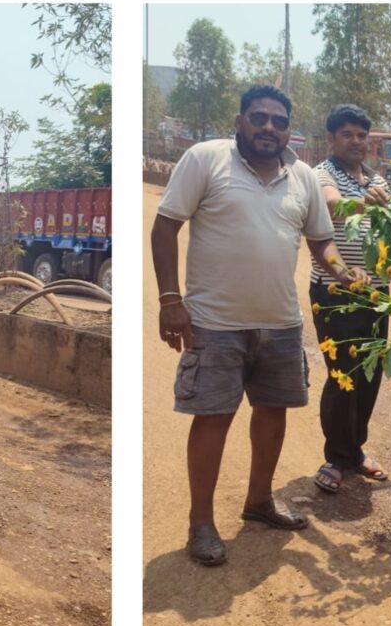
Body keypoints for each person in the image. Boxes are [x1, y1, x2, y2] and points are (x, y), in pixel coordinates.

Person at [152, 84, 358, 565]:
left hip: (280, 323)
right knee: (213, 419)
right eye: (259, 117)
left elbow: (321, 241)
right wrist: (169, 300)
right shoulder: (207, 159)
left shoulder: (303, 177)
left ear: (290, 129)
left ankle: (259, 501)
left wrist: (345, 272)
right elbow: (165, 226)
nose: (269, 127)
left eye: (279, 121)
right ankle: (200, 523)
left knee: (272, 414)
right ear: (240, 121)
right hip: (213, 323)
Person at [309, 104, 391, 494]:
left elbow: (389, 228)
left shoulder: (377, 179)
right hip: (335, 289)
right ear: (331, 139)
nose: (357, 141)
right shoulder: (321, 174)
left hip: (376, 292)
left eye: (362, 135)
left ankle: (355, 451)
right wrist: (366, 203)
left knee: (369, 374)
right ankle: (335, 456)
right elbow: (328, 206)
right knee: (342, 373)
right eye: (348, 134)